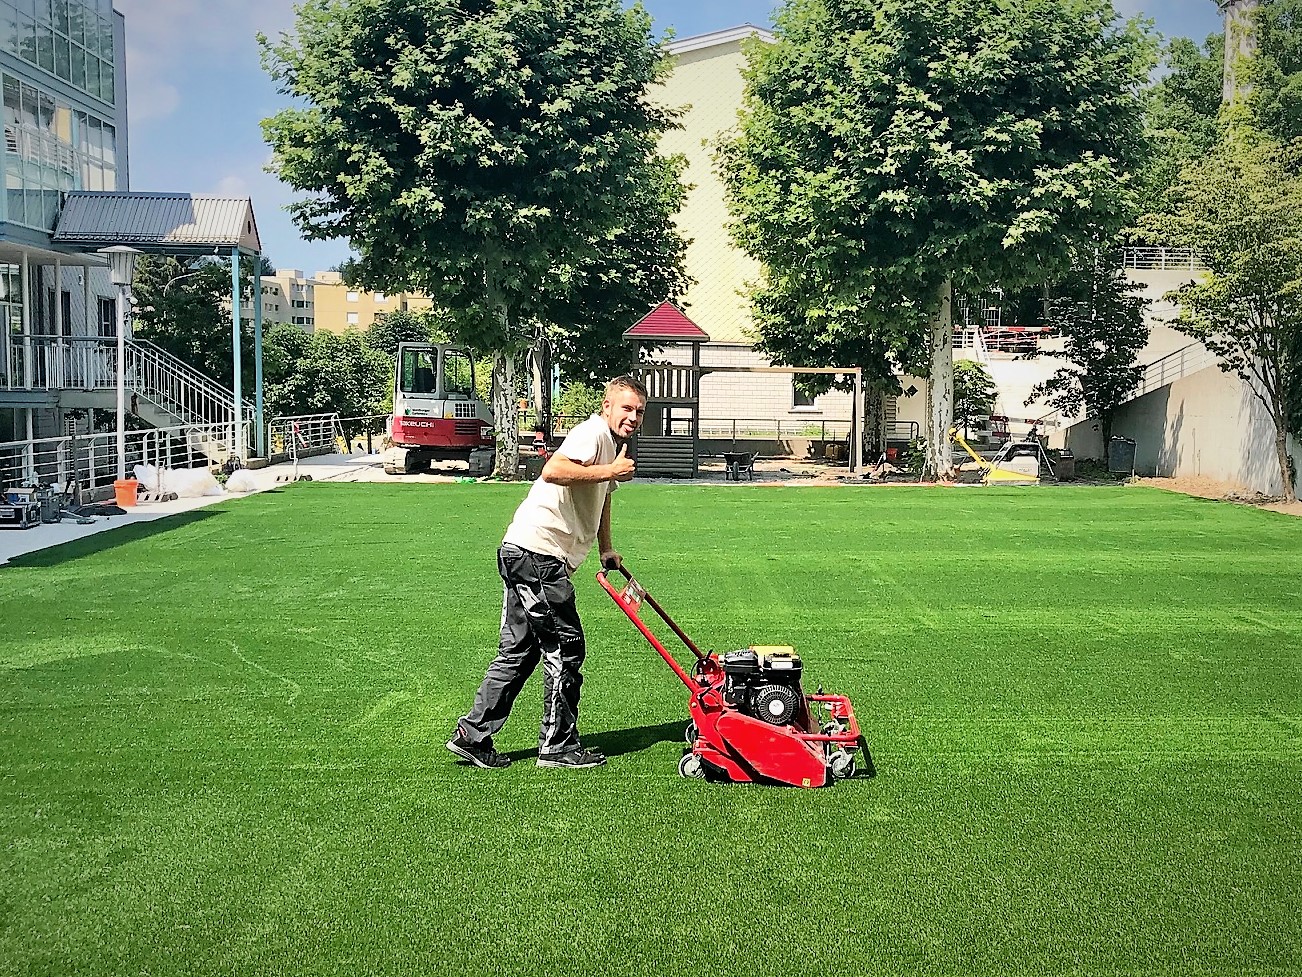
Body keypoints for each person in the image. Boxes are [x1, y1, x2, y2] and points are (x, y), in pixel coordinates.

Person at [446, 375, 648, 771]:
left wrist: (606, 547)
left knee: (520, 650)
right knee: (566, 647)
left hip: (521, 550)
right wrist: (610, 469)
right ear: (607, 406)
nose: (633, 416)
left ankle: (472, 736)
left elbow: (604, 498)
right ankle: (557, 747)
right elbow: (554, 470)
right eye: (626, 408)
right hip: (538, 555)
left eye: (639, 411)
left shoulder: (610, 446)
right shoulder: (592, 433)